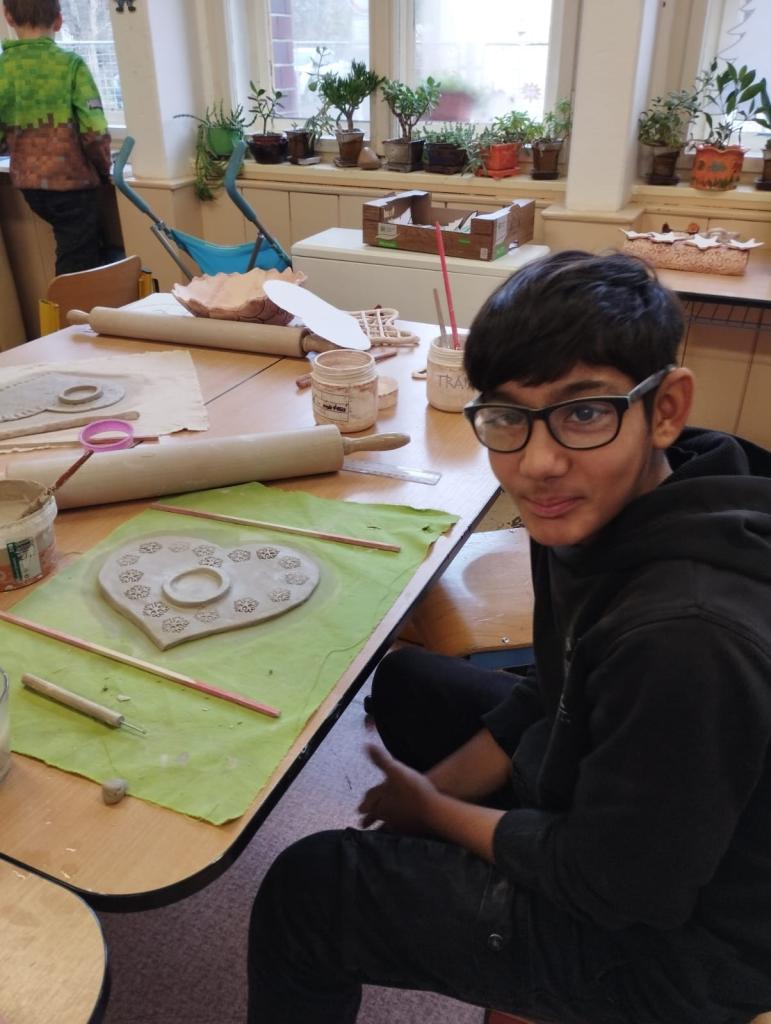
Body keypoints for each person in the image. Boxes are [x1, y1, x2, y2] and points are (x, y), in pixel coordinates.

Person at [247, 250, 771, 1024]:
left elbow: (619, 888)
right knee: (407, 684)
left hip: (675, 950)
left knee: (312, 887)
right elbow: (557, 686)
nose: (537, 464)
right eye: (506, 418)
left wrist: (435, 814)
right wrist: (439, 792)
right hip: (639, 822)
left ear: (664, 408)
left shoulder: (686, 638)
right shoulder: (616, 499)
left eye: (583, 413)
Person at [0, 0, 112, 274]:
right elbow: (94, 132)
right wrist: (103, 168)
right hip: (71, 182)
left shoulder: (4, 69)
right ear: (59, 20)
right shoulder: (70, 65)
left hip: (29, 185)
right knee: (78, 262)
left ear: (9, 17)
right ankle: (71, 303)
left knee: (78, 248)